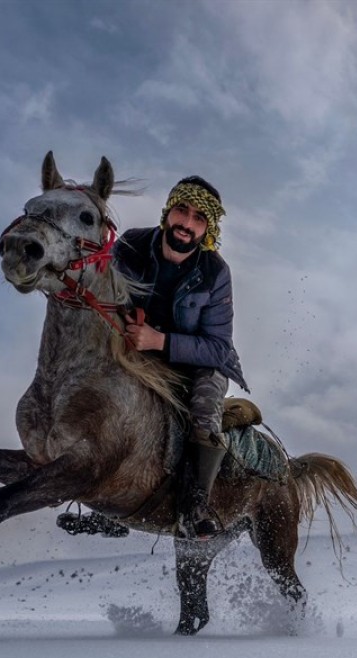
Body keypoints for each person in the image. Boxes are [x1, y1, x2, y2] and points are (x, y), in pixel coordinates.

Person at [114, 175, 247, 538]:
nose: (186, 224)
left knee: (204, 409)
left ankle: (194, 505)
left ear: (208, 228)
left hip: (199, 361)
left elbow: (218, 346)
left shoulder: (215, 272)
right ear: (168, 211)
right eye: (181, 211)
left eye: (198, 219)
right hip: (135, 345)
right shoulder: (131, 244)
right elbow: (108, 291)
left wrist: (160, 341)